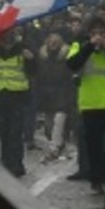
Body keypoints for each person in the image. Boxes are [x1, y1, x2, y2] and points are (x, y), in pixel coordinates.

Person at [66, 14, 105, 195]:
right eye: (94, 32)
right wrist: (90, 46)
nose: (98, 35)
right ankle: (97, 179)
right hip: (90, 103)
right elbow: (72, 63)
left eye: (102, 32)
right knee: (94, 145)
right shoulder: (80, 45)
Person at [0, 26, 36, 177]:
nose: (7, 36)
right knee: (3, 130)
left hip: (18, 96)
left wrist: (31, 59)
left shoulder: (23, 48)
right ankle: (5, 161)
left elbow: (34, 71)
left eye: (9, 32)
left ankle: (16, 164)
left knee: (16, 132)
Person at [34, 31, 74, 161]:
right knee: (48, 125)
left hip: (62, 92)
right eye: (51, 42)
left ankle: (54, 148)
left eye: (56, 42)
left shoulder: (67, 56)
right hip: (46, 93)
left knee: (59, 121)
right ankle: (57, 145)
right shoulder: (42, 57)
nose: (53, 44)